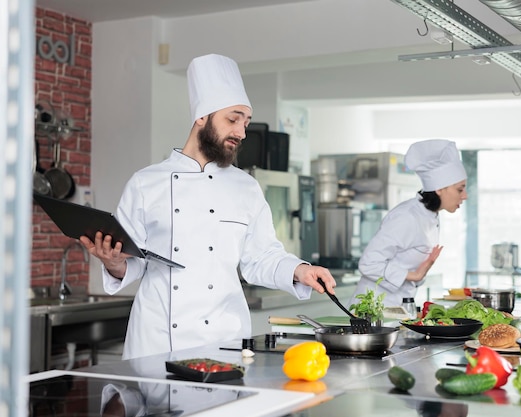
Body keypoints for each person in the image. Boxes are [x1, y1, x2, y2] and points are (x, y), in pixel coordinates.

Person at [79, 54, 336, 359]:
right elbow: (132, 258)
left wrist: (299, 269)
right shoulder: (146, 183)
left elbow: (262, 257)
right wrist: (113, 262)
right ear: (202, 116)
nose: (241, 132)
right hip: (158, 340)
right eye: (233, 118)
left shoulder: (246, 188)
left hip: (223, 339)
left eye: (246, 122)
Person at [349, 139, 467, 308]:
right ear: (439, 189)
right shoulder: (406, 217)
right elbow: (368, 264)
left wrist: (420, 273)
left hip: (398, 309)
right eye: (460, 189)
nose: (465, 196)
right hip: (371, 310)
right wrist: (415, 275)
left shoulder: (431, 216)